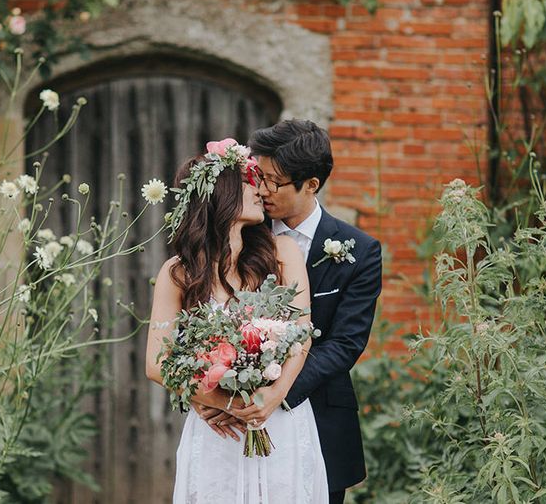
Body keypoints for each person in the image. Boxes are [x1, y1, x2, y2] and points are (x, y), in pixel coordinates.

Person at [145, 139, 329, 504]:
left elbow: (301, 335)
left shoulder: (282, 254)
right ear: (222, 195)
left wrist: (268, 400)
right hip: (218, 433)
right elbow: (156, 363)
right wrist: (223, 402)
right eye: (249, 182)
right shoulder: (178, 273)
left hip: (279, 422)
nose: (260, 190)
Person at [249, 120, 382, 503]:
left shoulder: (360, 250)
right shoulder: (243, 235)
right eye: (260, 176)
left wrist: (274, 391)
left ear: (311, 184)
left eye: (274, 181)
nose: (262, 189)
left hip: (317, 411)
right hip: (240, 411)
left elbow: (345, 344)